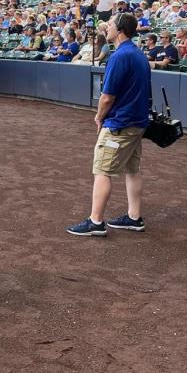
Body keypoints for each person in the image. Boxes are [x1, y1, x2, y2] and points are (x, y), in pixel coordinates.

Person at [67, 13, 151, 236]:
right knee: (132, 169)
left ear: (121, 29)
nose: (107, 28)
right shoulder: (138, 54)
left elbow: (107, 96)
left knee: (102, 170)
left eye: (111, 25)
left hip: (120, 123)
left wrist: (99, 117)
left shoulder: (120, 55)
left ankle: (95, 221)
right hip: (137, 122)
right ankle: (134, 217)